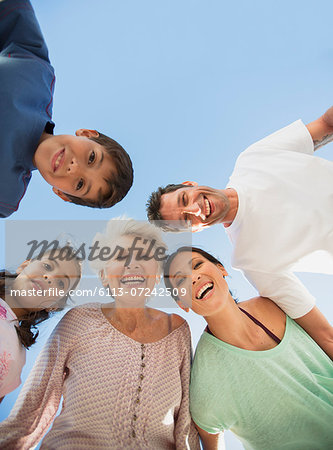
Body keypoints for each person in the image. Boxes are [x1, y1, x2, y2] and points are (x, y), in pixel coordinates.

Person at [146, 106, 333, 358]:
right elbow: (324, 336)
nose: (195, 208)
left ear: (190, 184)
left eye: (184, 199)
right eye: (186, 219)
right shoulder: (250, 260)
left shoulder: (253, 158)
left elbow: (326, 124)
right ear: (195, 230)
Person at [0, 219, 199, 449]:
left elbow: (186, 426)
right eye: (120, 257)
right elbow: (33, 406)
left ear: (156, 274)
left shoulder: (178, 331)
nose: (132, 264)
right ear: (104, 276)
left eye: (144, 256)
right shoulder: (79, 319)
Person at [164, 246, 333, 450]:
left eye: (197, 265)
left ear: (221, 269)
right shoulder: (205, 385)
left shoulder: (276, 303)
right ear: (183, 304)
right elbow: (211, 440)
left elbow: (328, 339)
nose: (193, 277)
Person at [0, 0, 133, 218]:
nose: (74, 168)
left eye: (80, 184)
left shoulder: (5, 196)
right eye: (91, 158)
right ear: (87, 134)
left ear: (63, 195)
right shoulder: (37, 73)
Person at [0, 247, 82, 401]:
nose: (49, 277)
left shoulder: (17, 358)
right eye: (48, 266)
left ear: (54, 305)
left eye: (60, 283)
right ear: (24, 266)